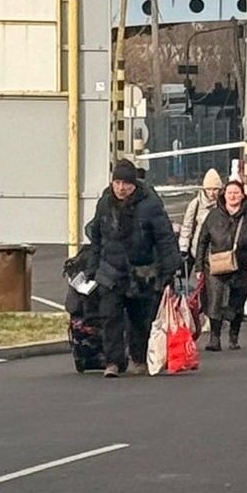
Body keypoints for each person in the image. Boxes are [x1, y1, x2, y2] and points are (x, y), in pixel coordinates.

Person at [85, 159, 181, 377]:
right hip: (110, 271)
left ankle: (138, 358)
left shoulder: (150, 204)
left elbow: (164, 237)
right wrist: (92, 267)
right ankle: (114, 362)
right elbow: (96, 238)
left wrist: (170, 268)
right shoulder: (105, 203)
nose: (120, 188)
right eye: (116, 182)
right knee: (110, 317)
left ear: (134, 184)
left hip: (140, 272)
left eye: (125, 184)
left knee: (139, 319)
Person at [195, 178, 247, 352]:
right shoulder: (213, 215)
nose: (233, 196)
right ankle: (214, 338)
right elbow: (202, 241)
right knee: (214, 302)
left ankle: (234, 336)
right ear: (224, 195)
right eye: (229, 193)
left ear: (242, 195)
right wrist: (198, 266)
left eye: (236, 192)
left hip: (241, 266)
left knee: (237, 302)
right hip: (215, 266)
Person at [178, 168, 224, 274]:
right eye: (208, 189)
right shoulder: (196, 204)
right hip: (198, 251)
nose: (212, 193)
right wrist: (184, 248)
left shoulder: (224, 205)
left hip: (219, 254)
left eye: (215, 189)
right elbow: (187, 226)